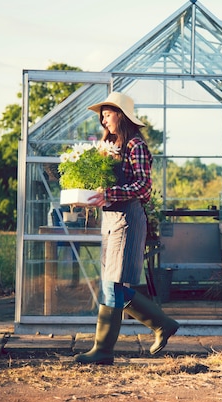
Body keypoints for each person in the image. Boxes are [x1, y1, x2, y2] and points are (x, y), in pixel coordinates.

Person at [74, 91, 179, 365]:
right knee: (113, 285)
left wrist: (109, 193)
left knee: (112, 284)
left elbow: (143, 187)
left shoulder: (135, 146)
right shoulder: (110, 148)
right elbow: (108, 186)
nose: (103, 120)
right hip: (111, 220)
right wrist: (93, 195)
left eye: (108, 114)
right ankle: (162, 324)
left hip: (127, 220)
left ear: (120, 115)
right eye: (102, 115)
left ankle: (104, 350)